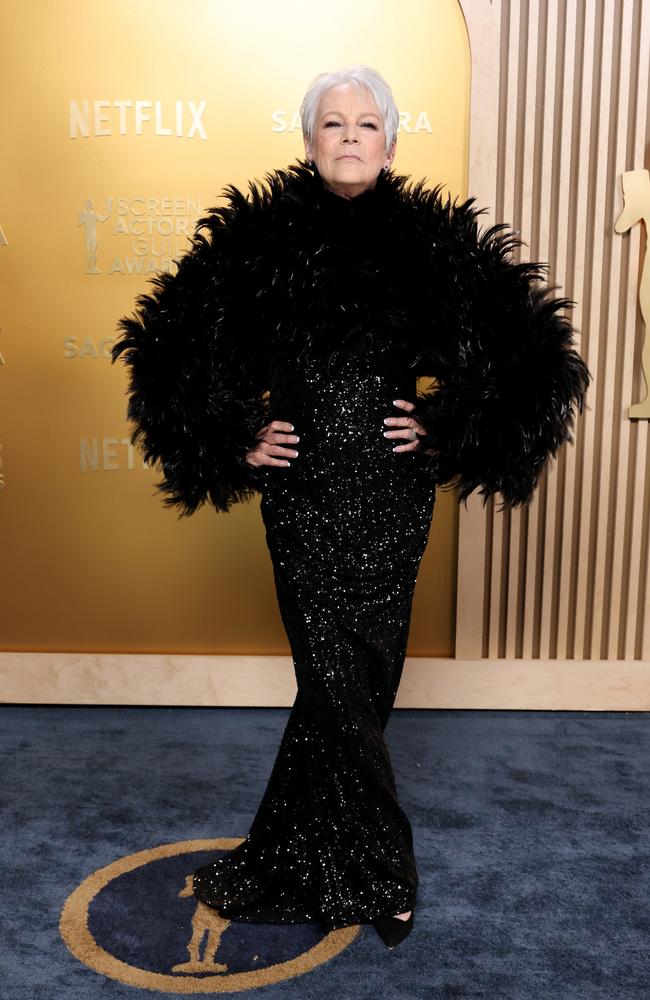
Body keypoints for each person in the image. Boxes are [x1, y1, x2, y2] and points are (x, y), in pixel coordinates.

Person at [111, 64, 590, 949]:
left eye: (365, 125)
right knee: (333, 678)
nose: (348, 137)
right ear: (307, 141)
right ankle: (385, 868)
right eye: (332, 124)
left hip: (391, 497)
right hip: (300, 495)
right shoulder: (256, 242)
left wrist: (449, 426)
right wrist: (233, 434)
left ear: (392, 143)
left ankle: (308, 853)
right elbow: (167, 344)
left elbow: (534, 354)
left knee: (361, 681)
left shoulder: (432, 244)